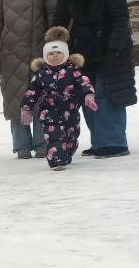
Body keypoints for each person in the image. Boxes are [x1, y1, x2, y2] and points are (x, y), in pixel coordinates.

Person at [52, 0, 136, 158]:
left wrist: (116, 46)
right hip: (82, 51)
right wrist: (56, 45)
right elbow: (60, 18)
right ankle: (99, 141)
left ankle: (114, 143)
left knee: (107, 94)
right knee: (87, 95)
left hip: (109, 47)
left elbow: (120, 17)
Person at [0, 0, 58, 159]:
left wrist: (55, 48)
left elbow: (53, 18)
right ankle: (21, 146)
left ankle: (42, 143)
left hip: (39, 54)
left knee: (41, 99)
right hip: (10, 55)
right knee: (15, 101)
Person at [20, 27, 98, 171]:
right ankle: (57, 161)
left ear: (66, 54)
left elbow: (84, 82)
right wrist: (26, 108)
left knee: (71, 135)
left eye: (58, 53)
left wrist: (88, 96)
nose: (54, 56)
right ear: (45, 56)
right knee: (54, 136)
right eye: (50, 54)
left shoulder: (72, 71)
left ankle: (68, 150)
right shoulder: (41, 74)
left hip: (70, 110)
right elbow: (32, 91)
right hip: (49, 111)